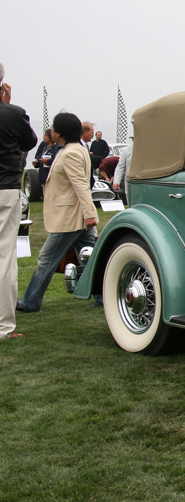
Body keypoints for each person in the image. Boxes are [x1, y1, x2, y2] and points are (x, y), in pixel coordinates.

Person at [17, 112, 98, 313]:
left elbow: (80, 185)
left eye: (53, 128)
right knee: (92, 258)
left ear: (60, 132)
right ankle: (104, 296)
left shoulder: (70, 153)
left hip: (69, 218)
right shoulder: (74, 149)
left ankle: (30, 302)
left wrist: (90, 214)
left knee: (46, 259)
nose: (51, 131)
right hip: (76, 216)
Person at [1, 72, 38, 339]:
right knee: (4, 259)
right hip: (5, 188)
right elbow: (30, 142)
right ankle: (4, 327)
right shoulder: (14, 114)